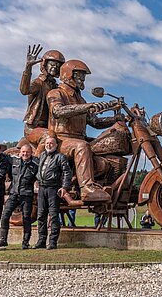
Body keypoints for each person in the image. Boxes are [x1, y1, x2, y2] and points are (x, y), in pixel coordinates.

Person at [46, 59, 123, 202]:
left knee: (105, 148)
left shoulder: (80, 100)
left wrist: (116, 118)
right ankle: (87, 188)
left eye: (83, 76)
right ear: (68, 75)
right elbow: (57, 111)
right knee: (82, 146)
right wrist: (88, 107)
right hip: (61, 140)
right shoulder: (56, 93)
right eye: (79, 76)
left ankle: (107, 185)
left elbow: (95, 122)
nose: (82, 79)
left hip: (79, 138)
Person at [19, 45, 65, 156]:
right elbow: (24, 90)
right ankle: (37, 164)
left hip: (50, 126)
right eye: (52, 64)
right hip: (34, 127)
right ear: (44, 64)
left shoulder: (57, 87)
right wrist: (28, 67)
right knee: (48, 136)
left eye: (58, 66)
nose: (54, 67)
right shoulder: (39, 83)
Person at [0, 144, 38, 249]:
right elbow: (3, 156)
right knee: (5, 215)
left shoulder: (35, 165)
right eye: (23, 152)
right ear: (20, 153)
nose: (25, 154)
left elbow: (40, 177)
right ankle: (3, 239)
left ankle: (25, 242)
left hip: (26, 195)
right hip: (14, 193)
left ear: (31, 153)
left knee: (26, 218)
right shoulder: (15, 161)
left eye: (27, 152)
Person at [34, 136, 72, 250]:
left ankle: (52, 241)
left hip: (53, 188)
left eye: (51, 143)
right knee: (41, 215)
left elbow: (67, 172)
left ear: (56, 145)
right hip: (42, 188)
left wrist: (65, 187)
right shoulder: (42, 156)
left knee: (54, 216)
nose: (49, 145)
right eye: (47, 143)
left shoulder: (60, 157)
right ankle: (41, 240)